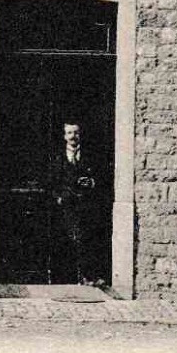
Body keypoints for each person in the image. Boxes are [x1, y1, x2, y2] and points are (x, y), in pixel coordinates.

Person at [51, 122, 102, 285]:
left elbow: (102, 175)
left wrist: (92, 182)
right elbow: (51, 180)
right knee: (67, 240)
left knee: (86, 240)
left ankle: (87, 276)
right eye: (69, 133)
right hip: (65, 205)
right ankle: (65, 277)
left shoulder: (90, 155)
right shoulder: (57, 157)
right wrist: (58, 196)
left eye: (76, 133)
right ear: (64, 136)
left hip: (85, 204)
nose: (73, 136)